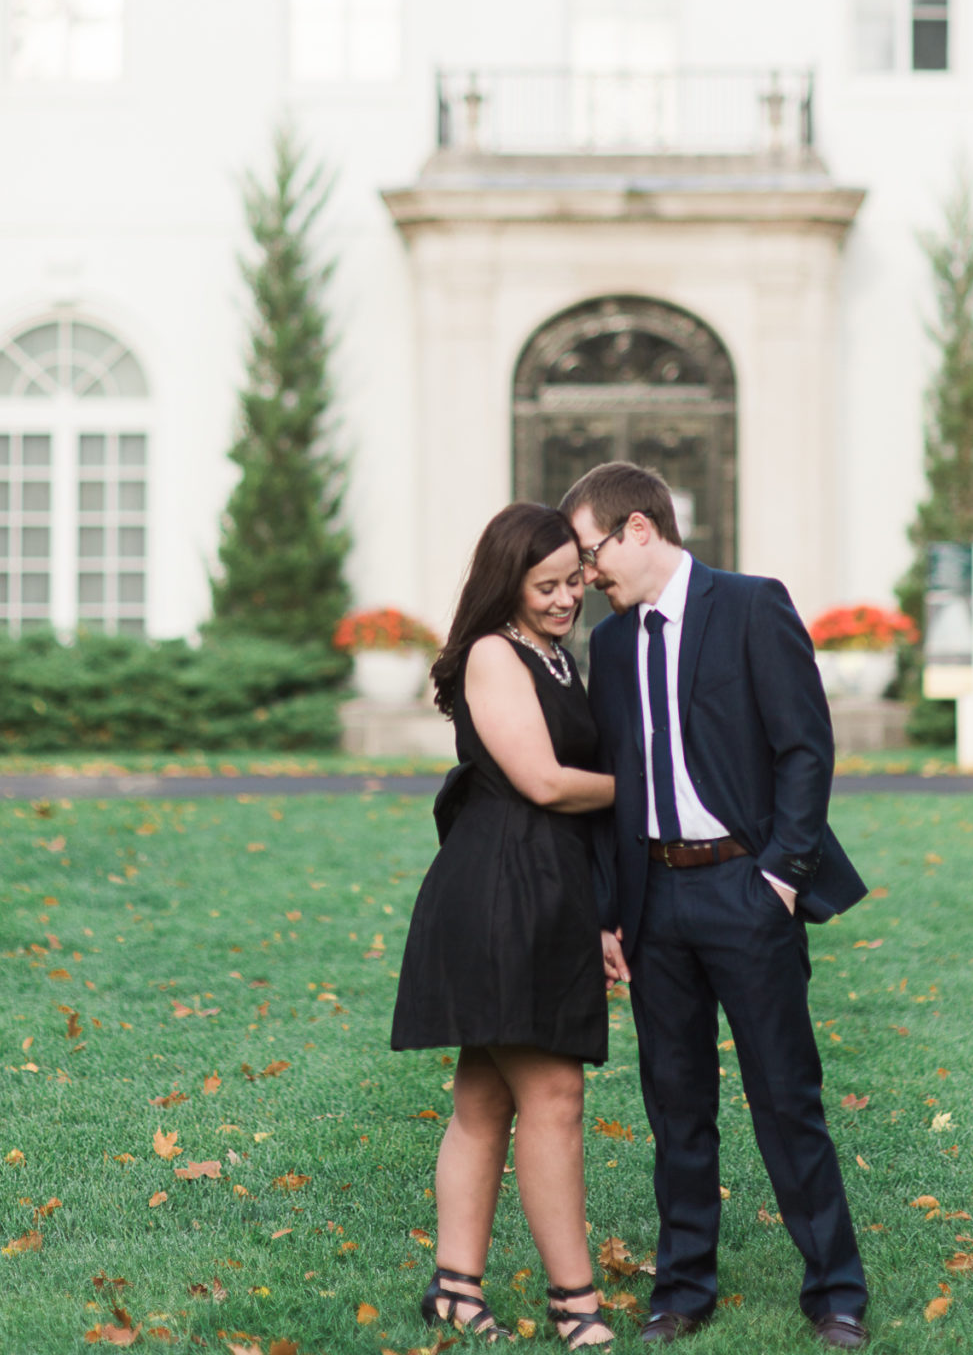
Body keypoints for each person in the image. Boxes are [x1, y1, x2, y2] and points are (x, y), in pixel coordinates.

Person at [560, 462, 872, 1349]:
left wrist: (780, 873)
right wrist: (611, 911)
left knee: (785, 1094)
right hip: (655, 900)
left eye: (590, 555)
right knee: (676, 1101)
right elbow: (618, 785)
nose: (587, 578)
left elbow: (806, 749)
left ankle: (836, 1289)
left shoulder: (750, 605)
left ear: (640, 531)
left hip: (747, 889)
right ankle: (683, 1288)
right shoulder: (611, 648)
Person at [391, 502, 620, 1348]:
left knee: (485, 1096)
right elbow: (547, 782)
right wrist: (650, 794)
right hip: (500, 891)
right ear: (508, 584)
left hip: (544, 886)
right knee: (554, 1095)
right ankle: (575, 1303)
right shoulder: (495, 653)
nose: (566, 598)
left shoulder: (552, 655)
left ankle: (455, 1289)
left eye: (574, 581)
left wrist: (599, 913)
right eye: (547, 585)